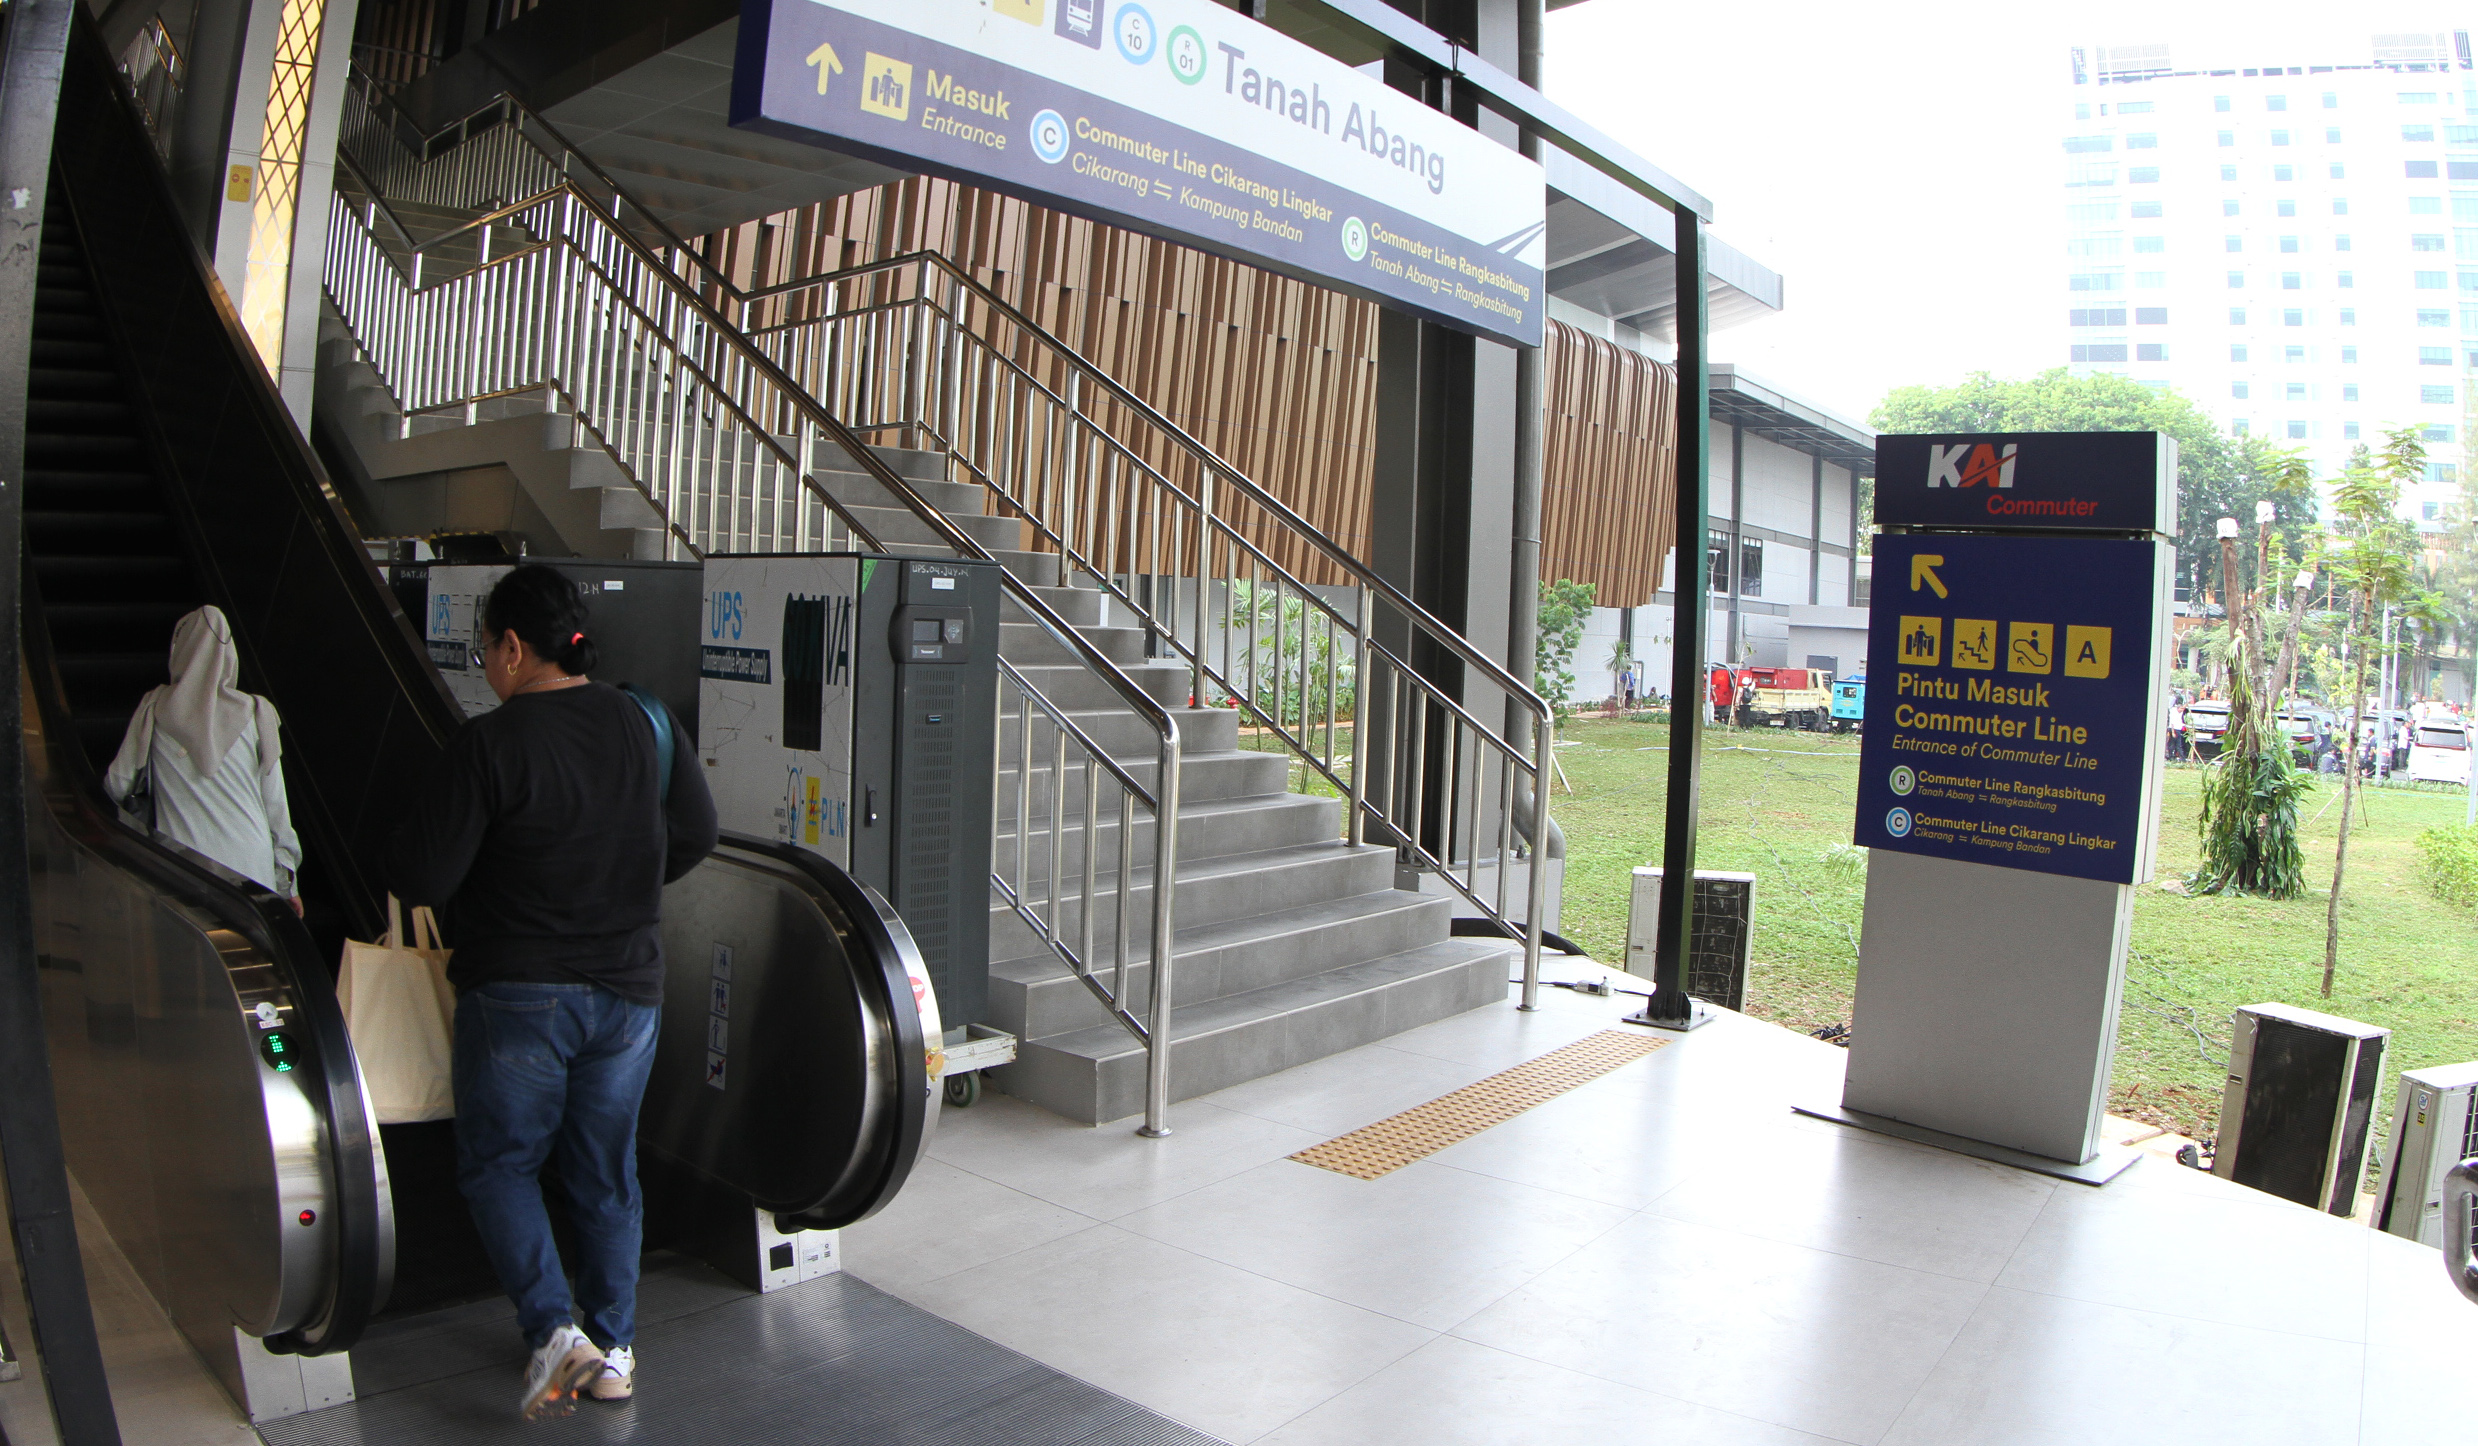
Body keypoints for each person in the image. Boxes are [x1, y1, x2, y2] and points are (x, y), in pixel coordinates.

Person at [384, 566, 717, 1419]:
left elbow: (420, 874)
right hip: (629, 990)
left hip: (519, 994)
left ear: (510, 648)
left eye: (486, 647)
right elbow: (698, 834)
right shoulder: (643, 723)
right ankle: (613, 1349)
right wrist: (627, 883)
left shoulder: (489, 745)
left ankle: (551, 1333)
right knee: (606, 1172)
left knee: (500, 1165)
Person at [106, 606, 302, 911]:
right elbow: (276, 807)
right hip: (253, 868)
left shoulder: (154, 709)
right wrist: (287, 885)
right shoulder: (256, 712)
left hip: (184, 869)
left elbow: (117, 784)